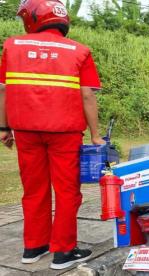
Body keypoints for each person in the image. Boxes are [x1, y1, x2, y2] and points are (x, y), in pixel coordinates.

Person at [0, 0, 105, 270]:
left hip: (25, 131)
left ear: (32, 19)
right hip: (65, 134)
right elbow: (87, 95)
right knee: (67, 191)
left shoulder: (12, 46)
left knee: (34, 190)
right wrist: (96, 136)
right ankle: (64, 252)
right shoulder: (80, 51)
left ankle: (33, 247)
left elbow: (3, 90)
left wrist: (3, 128)